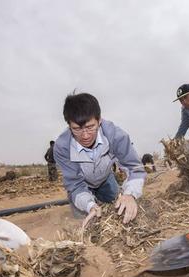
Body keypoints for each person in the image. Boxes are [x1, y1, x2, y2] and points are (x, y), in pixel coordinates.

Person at [54, 92, 146, 226]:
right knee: (85, 221)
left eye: (90, 127)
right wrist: (90, 205)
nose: (85, 136)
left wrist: (130, 195)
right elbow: (75, 185)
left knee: (118, 205)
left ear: (99, 121)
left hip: (105, 179)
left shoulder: (116, 136)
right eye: (77, 129)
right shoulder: (62, 147)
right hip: (82, 185)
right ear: (69, 126)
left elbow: (135, 168)